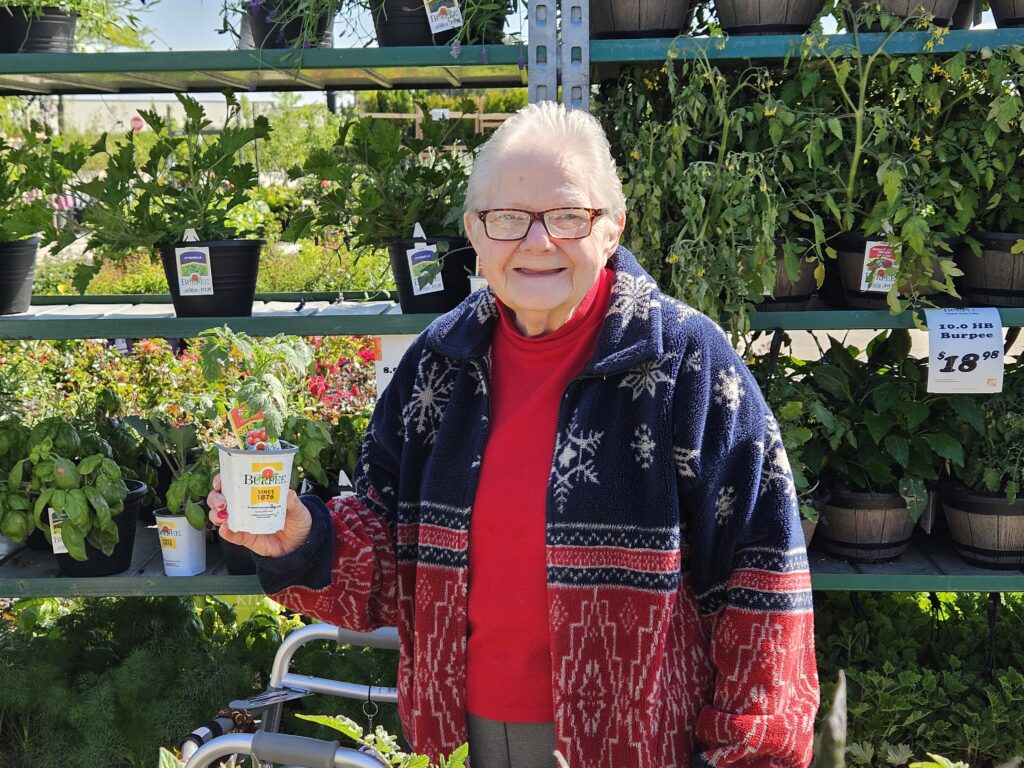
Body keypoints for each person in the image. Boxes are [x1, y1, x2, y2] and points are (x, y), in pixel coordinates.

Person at [208, 101, 819, 768]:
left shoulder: (683, 363)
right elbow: (389, 554)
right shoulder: (439, 363)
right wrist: (299, 536)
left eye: (567, 216)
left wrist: (742, 756)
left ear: (611, 227)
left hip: (641, 743)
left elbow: (764, 584)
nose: (536, 243)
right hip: (469, 734)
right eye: (507, 219)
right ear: (474, 231)